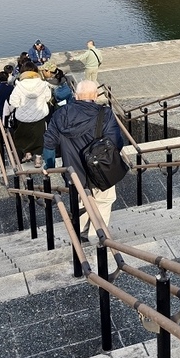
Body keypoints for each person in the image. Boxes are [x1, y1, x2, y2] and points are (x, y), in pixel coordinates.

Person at [42, 80, 124, 242]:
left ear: (76, 95)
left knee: (81, 201)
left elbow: (49, 143)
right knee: (104, 200)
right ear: (95, 95)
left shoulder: (60, 114)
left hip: (73, 171)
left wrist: (49, 166)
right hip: (101, 169)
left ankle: (82, 232)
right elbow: (116, 142)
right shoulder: (105, 113)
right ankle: (96, 237)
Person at [7, 62, 53, 161]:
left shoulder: (19, 86)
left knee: (23, 137)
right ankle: (38, 158)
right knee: (39, 137)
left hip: (23, 117)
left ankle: (27, 154)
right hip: (39, 115)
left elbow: (13, 102)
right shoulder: (43, 85)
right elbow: (48, 98)